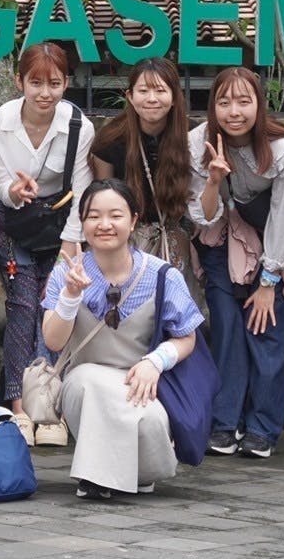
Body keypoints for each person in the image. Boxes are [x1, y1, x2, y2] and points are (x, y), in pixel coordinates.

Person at [42, 179, 205, 499]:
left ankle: (133, 472)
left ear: (133, 221)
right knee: (87, 380)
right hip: (83, 387)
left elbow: (187, 338)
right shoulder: (65, 274)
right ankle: (96, 477)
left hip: (141, 386)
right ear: (82, 223)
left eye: (115, 215)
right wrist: (71, 296)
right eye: (93, 216)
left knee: (151, 424)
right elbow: (53, 342)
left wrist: (155, 362)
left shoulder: (163, 276)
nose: (104, 224)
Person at [188, 66, 284, 460]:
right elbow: (203, 216)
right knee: (226, 328)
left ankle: (262, 428)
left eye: (244, 101)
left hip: (278, 243)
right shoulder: (199, 142)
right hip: (223, 237)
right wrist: (213, 180)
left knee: (266, 329)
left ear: (259, 104)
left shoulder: (281, 149)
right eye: (224, 102)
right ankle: (225, 424)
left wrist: (268, 282)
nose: (234, 111)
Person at [0, 43, 94, 446]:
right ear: (20, 82)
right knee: (23, 305)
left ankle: (49, 409)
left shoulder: (79, 126)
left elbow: (83, 190)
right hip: (16, 222)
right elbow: (0, 182)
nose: (45, 93)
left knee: (56, 309)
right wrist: (14, 191)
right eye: (35, 83)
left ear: (66, 83)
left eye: (54, 83)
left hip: (62, 224)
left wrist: (71, 244)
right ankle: (19, 406)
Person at [89, 58, 199, 291]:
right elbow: (101, 200)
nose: (151, 98)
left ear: (174, 97)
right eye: (143, 90)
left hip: (176, 234)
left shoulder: (192, 137)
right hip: (126, 237)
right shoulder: (110, 141)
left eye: (160, 90)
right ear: (130, 96)